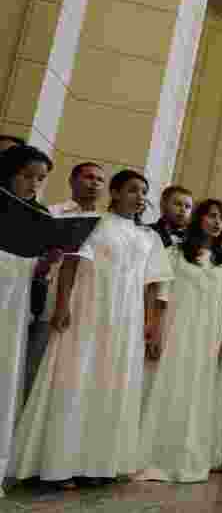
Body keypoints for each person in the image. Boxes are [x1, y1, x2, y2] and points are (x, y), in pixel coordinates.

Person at [12, 170, 173, 489]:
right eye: (132, 190)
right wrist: (61, 306)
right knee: (77, 380)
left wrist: (151, 324)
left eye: (144, 192)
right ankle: (59, 465)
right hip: (88, 311)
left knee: (112, 385)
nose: (140, 197)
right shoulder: (92, 222)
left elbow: (153, 284)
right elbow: (70, 264)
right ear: (114, 192)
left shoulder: (148, 237)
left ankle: (99, 463)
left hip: (126, 321)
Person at [136, 199, 222, 482]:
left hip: (209, 333)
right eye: (211, 216)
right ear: (199, 219)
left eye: (221, 217)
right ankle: (157, 457)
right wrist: (154, 329)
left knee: (199, 391)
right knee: (170, 385)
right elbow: (162, 295)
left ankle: (191, 458)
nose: (217, 222)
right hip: (176, 327)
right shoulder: (176, 253)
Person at [0, 146, 57, 496]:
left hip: (14, 306)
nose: (34, 184)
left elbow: (31, 271)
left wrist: (47, 263)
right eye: (28, 175)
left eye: (41, 179)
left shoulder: (39, 215)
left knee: (6, 377)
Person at [25, 162, 106, 398]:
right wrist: (47, 260)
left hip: (87, 307)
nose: (94, 183)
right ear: (72, 181)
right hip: (47, 302)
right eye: (88, 177)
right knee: (35, 367)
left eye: (100, 180)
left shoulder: (105, 223)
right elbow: (29, 258)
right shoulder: (50, 213)